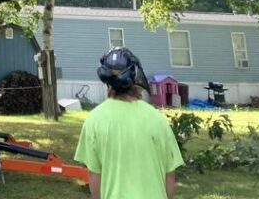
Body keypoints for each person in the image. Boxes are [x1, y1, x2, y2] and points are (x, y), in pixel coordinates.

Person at [74, 47, 184, 199]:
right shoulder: (157, 119)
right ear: (135, 76)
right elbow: (169, 177)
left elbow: (95, 178)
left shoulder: (94, 121)